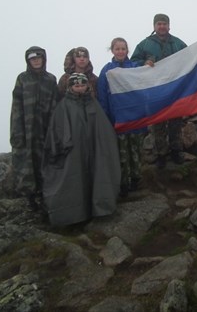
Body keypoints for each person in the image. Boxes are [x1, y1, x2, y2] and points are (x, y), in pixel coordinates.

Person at [41, 73, 121, 227]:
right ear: (70, 87)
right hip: (73, 154)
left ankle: (98, 210)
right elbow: (56, 133)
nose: (79, 88)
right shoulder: (63, 106)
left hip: (94, 152)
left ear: (87, 86)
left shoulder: (93, 104)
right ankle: (74, 217)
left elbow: (105, 131)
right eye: (76, 85)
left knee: (97, 178)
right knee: (75, 181)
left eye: (82, 85)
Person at [131, 13, 187, 169]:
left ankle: (176, 150)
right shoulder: (145, 44)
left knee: (175, 121)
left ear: (169, 26)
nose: (162, 26)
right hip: (154, 91)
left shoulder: (178, 43)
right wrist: (144, 62)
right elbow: (133, 62)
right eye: (159, 24)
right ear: (154, 26)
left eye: (164, 24)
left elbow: (189, 59)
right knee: (158, 122)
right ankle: (161, 153)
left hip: (174, 90)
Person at [10, 46, 58, 209]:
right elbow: (16, 108)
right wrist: (16, 132)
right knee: (27, 164)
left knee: (45, 163)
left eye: (39, 58)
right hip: (27, 129)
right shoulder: (22, 79)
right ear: (28, 61)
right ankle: (30, 197)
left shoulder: (51, 79)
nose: (36, 61)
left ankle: (45, 196)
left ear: (44, 59)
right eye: (33, 59)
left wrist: (54, 131)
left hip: (45, 129)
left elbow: (54, 105)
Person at [98, 37, 146, 197]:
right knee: (121, 153)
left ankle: (136, 180)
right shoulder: (106, 70)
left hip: (136, 119)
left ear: (127, 51)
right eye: (117, 49)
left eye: (123, 49)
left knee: (136, 151)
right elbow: (102, 97)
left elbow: (146, 78)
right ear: (112, 50)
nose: (120, 52)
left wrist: (150, 63)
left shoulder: (134, 67)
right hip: (117, 120)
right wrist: (107, 118)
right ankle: (123, 183)